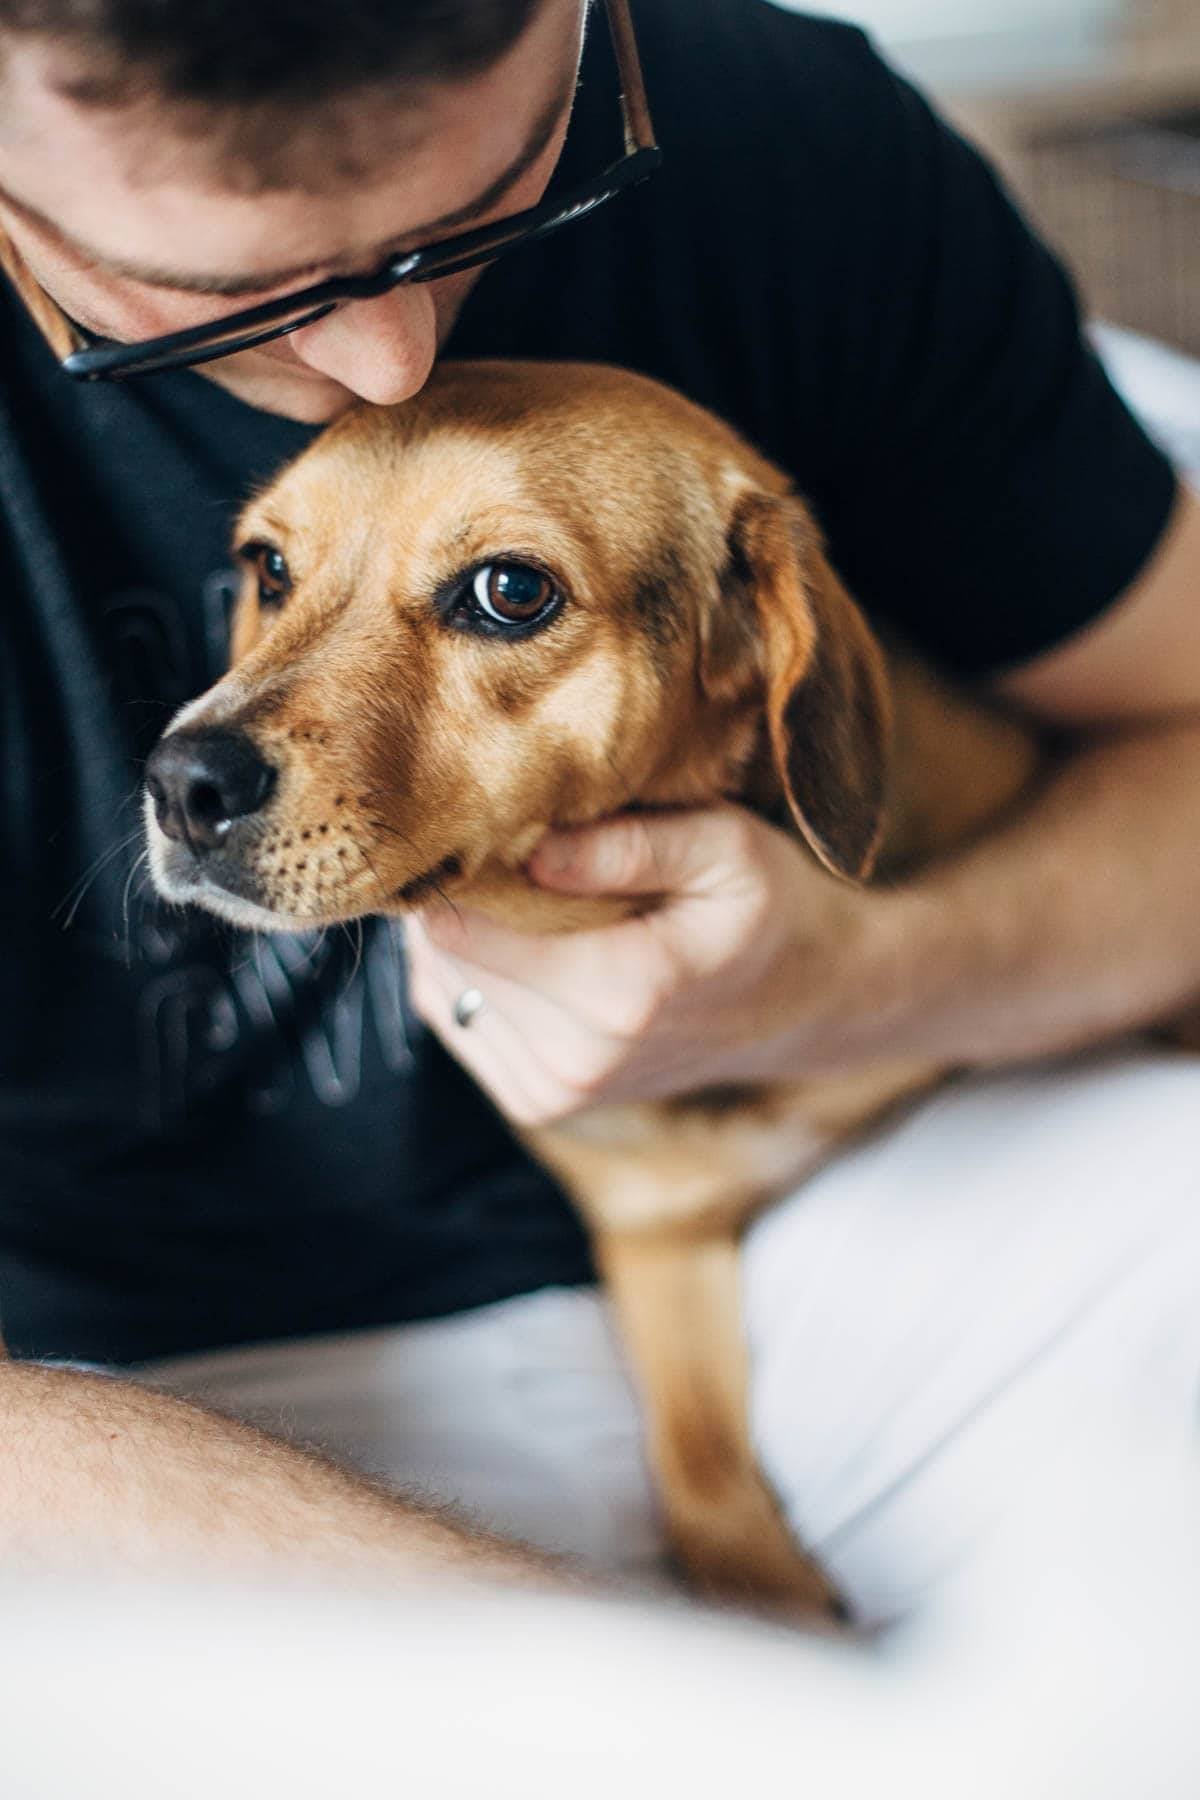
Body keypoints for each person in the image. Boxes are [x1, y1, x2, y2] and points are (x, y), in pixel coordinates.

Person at [0, 0, 1198, 1623]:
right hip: (99, 1399)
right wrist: (582, 1663)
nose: (393, 363)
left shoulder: (786, 139)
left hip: (848, 1200)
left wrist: (865, 981)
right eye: (219, 298)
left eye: (504, 193)